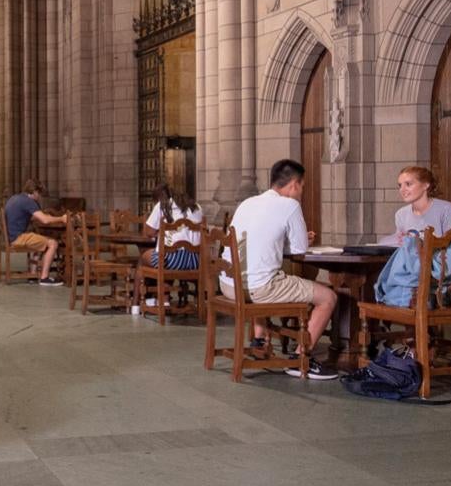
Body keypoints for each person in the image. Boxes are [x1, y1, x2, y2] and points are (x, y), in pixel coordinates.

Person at [224, 159, 339, 380]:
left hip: (230, 284)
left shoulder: (247, 203)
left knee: (266, 273)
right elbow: (300, 250)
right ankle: (301, 359)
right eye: (302, 186)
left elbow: (259, 241)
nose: (301, 192)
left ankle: (259, 341)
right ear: (294, 184)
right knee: (328, 297)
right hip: (258, 288)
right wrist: (302, 239)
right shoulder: (290, 205)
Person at [374, 166, 451, 307]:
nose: (402, 190)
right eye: (400, 186)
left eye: (408, 184)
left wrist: (438, 270)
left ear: (426, 185)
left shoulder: (446, 209)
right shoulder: (401, 215)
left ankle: (430, 293)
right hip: (414, 270)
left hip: (443, 268)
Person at [133, 185, 203, 306]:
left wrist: (161, 232)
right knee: (165, 256)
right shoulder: (196, 206)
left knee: (144, 258)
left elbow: (148, 231)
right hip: (195, 261)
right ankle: (164, 299)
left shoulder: (163, 205)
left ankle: (136, 304)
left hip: (171, 261)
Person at [4, 180, 66, 286]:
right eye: (39, 194)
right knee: (53, 243)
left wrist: (47, 216)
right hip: (18, 238)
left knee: (39, 240)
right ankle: (44, 278)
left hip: (11, 236)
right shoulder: (28, 201)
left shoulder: (15, 198)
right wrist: (61, 218)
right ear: (35, 191)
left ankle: (33, 275)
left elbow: (32, 217)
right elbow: (44, 220)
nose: (39, 197)